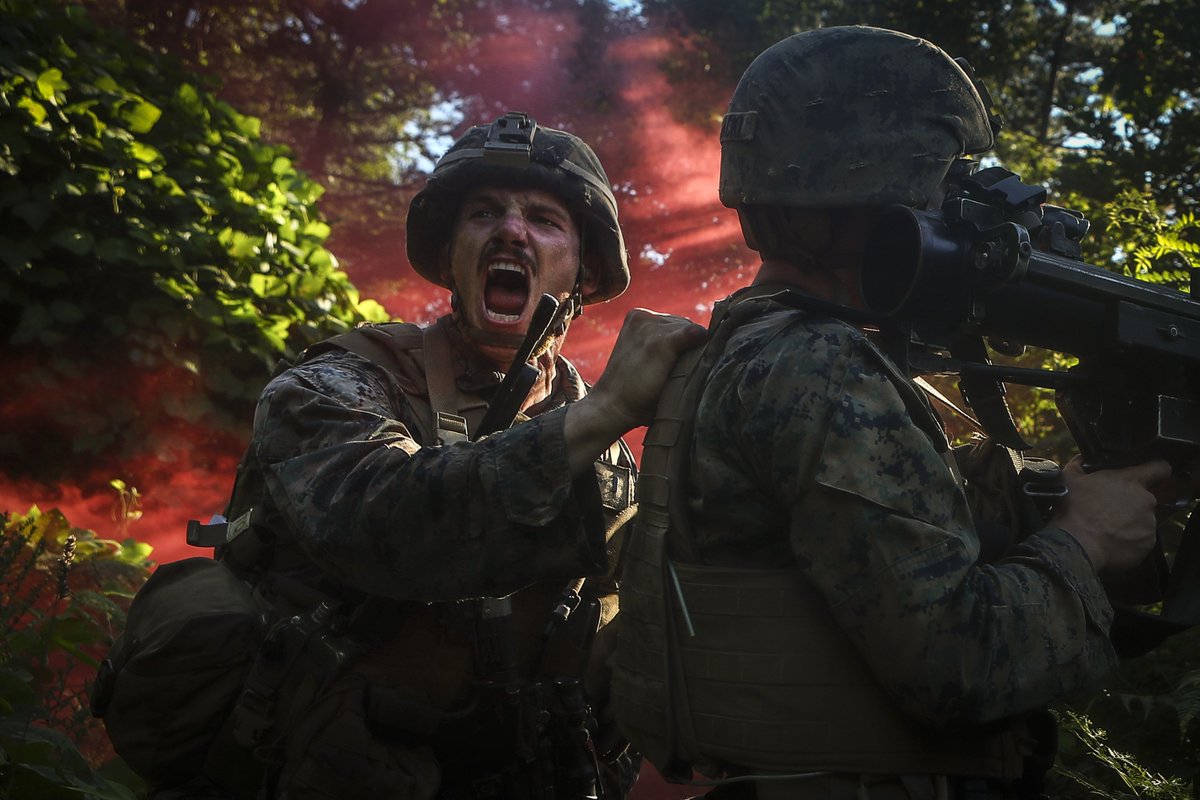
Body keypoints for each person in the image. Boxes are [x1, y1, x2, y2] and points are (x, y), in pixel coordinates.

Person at [611, 26, 1188, 800]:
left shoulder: (742, 348)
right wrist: (1086, 540)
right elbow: (959, 665)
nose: (956, 206)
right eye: (945, 181)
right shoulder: (822, 364)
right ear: (873, 187)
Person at [197, 111, 704, 799]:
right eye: (484, 213)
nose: (511, 231)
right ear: (447, 257)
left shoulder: (609, 453)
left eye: (545, 220)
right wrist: (605, 412)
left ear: (583, 272)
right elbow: (384, 525)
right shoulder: (342, 383)